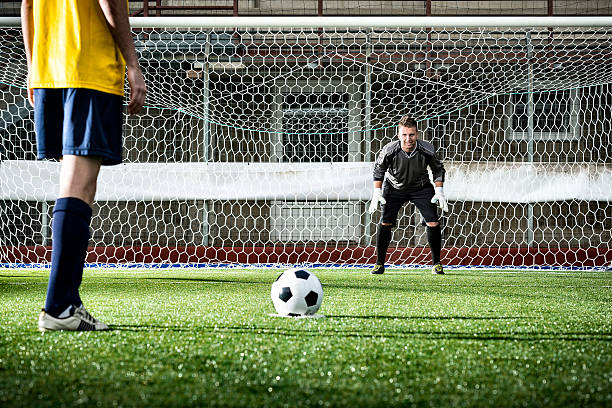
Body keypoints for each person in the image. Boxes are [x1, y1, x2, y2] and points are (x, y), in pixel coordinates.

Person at [21, 0, 146, 331]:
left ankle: (67, 302)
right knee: (80, 184)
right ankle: (59, 306)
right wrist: (132, 64)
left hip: (48, 68)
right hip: (87, 65)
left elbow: (28, 5)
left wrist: (33, 66)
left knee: (75, 183)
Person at [368, 116, 448, 275]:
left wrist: (439, 191)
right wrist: (377, 192)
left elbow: (438, 169)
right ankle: (379, 264)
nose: (408, 139)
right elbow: (379, 170)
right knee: (386, 222)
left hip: (421, 188)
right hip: (394, 187)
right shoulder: (389, 150)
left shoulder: (427, 149)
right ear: (398, 135)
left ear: (417, 134)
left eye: (411, 135)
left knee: (433, 222)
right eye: (404, 135)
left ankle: (437, 264)